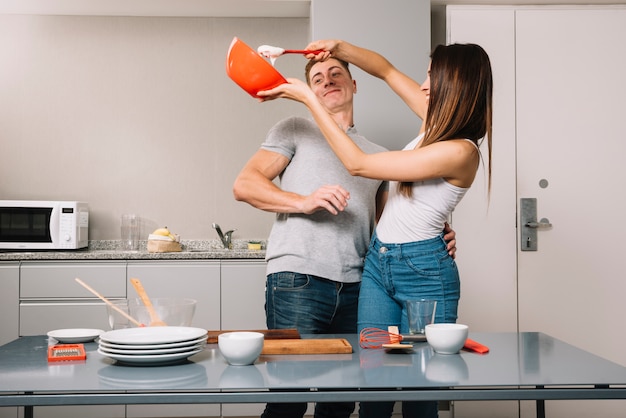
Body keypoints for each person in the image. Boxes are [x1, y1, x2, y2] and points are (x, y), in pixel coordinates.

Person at [257, 39, 493, 418]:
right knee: (374, 381)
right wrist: (338, 47)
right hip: (378, 266)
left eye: (432, 76)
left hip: (424, 273)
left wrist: (307, 97)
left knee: (419, 387)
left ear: (455, 82)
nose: (422, 84)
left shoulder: (461, 149)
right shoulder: (435, 121)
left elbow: (359, 165)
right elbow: (383, 69)